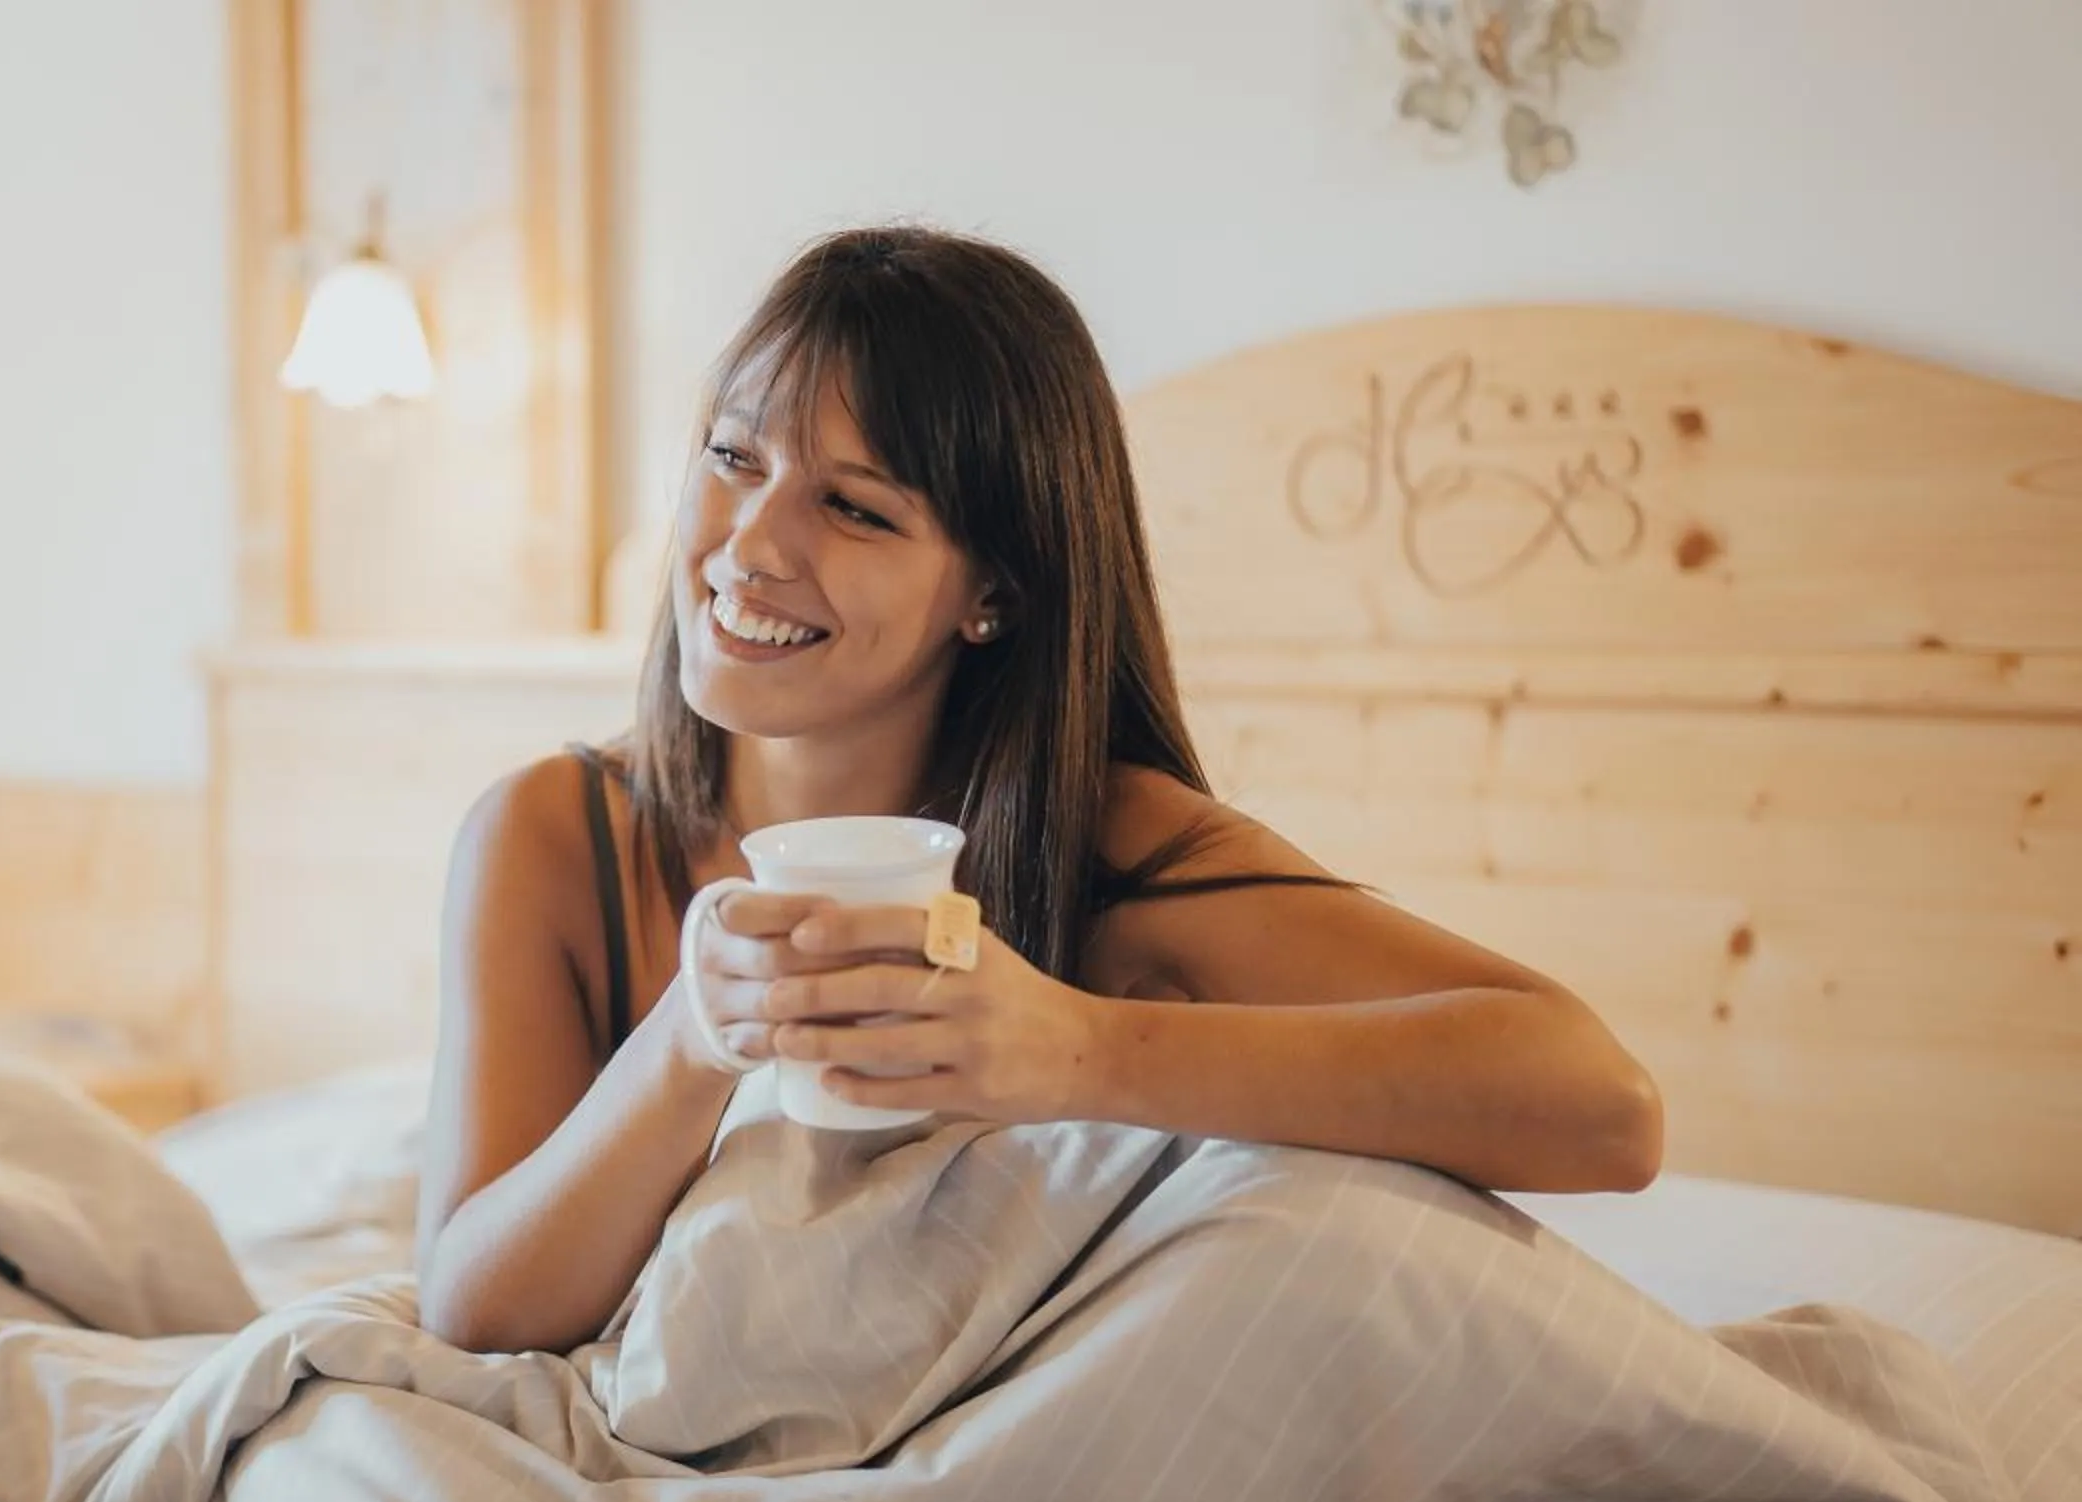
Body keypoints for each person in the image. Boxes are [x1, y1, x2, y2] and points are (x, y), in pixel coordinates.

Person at [417, 227, 1661, 1357]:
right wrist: (693, 1035)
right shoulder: (554, 837)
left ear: (992, 596)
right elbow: (471, 1306)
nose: (751, 542)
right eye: (734, 455)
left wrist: (1073, 1047)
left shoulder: (1104, 844)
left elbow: (1601, 1108)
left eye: (854, 506)